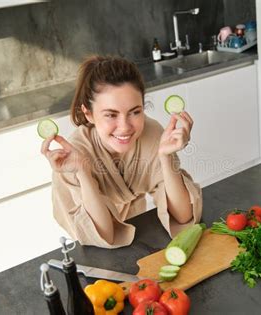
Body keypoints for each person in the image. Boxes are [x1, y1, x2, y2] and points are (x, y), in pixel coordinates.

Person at [41, 55, 202, 248]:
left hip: (134, 221)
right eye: (111, 115)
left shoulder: (152, 135)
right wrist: (82, 171)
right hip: (90, 232)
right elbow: (104, 235)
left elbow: (183, 216)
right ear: (88, 113)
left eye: (135, 112)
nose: (125, 127)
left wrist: (165, 158)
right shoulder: (74, 154)